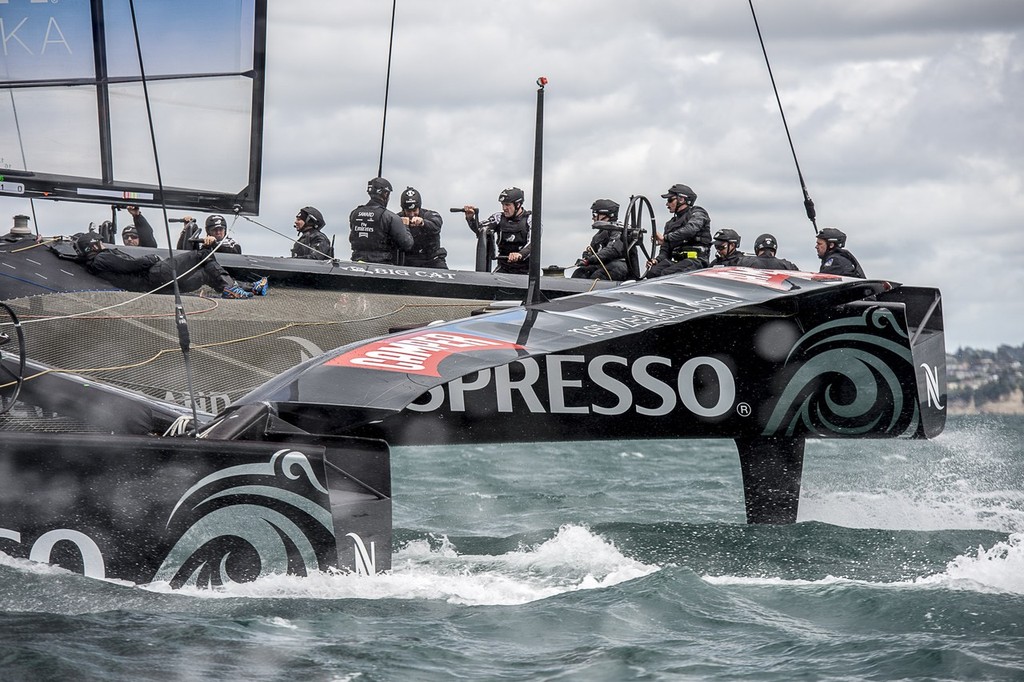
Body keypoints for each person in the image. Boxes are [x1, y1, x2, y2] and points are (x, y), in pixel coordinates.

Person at [74, 231, 268, 299]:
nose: (102, 244)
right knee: (203, 254)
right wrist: (152, 259)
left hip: (155, 285)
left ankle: (247, 288)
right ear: (92, 246)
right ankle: (232, 288)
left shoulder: (95, 262)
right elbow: (130, 265)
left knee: (204, 275)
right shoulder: (101, 259)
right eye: (98, 242)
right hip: (154, 273)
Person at [646, 183, 712, 278]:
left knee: (667, 274)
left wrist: (665, 238)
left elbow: (690, 230)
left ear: (682, 199)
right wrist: (657, 260)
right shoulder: (670, 224)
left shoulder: (698, 213)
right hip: (677, 263)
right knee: (652, 273)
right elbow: (665, 251)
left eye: (670, 200)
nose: (667, 204)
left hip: (697, 262)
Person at [463, 187, 532, 275]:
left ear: (518, 204)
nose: (504, 208)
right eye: (503, 204)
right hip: (504, 267)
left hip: (526, 270)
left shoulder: (530, 219)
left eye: (507, 205)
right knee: (488, 284)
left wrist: (520, 254)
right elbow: (481, 231)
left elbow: (534, 243)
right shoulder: (498, 217)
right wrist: (471, 219)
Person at [349, 178, 413, 264]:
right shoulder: (390, 217)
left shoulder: (354, 213)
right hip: (381, 267)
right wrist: (405, 226)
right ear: (386, 194)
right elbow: (407, 244)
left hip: (357, 265)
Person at [572, 199, 631, 281]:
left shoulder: (619, 231)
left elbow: (612, 250)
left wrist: (591, 259)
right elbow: (594, 253)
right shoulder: (597, 236)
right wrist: (587, 257)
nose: (593, 218)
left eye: (596, 214)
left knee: (598, 276)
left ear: (607, 215)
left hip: (621, 266)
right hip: (604, 265)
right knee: (579, 273)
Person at [397, 187, 447, 268]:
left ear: (419, 208)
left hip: (432, 259)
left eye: (414, 210)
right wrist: (401, 225)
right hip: (408, 261)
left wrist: (423, 223)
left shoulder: (430, 215)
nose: (412, 214)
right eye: (409, 211)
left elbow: (436, 225)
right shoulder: (396, 219)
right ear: (403, 209)